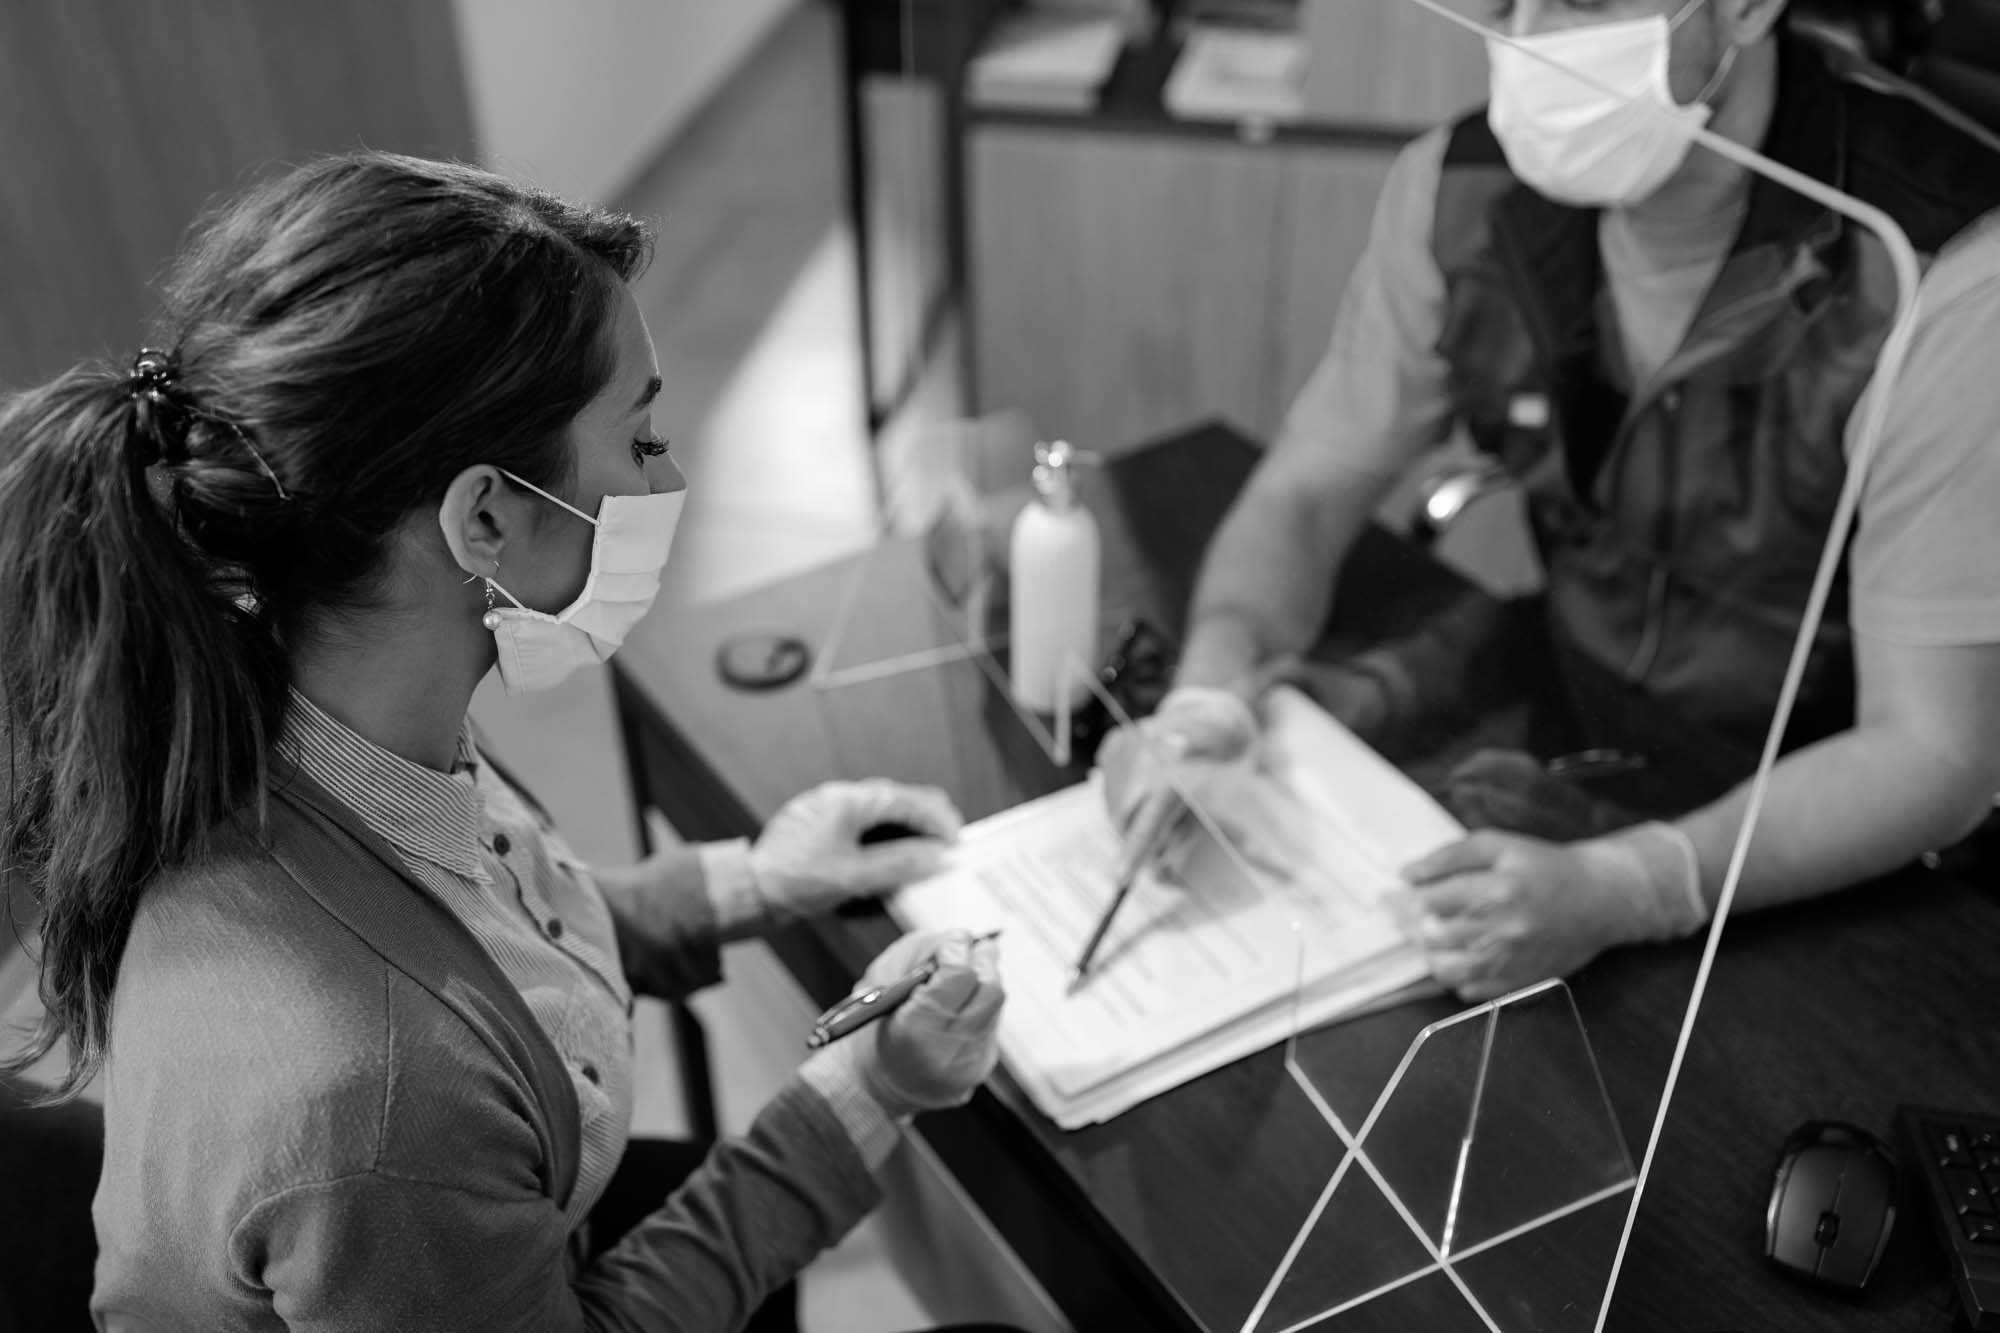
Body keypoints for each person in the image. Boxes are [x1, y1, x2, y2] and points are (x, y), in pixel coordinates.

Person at [0, 151, 1012, 1331]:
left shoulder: (329, 716)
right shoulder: (378, 1103)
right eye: (639, 441)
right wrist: (862, 1093)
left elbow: (499, 946)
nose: (670, 473)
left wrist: (751, 880)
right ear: (483, 518)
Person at [1105, 0, 2000, 999]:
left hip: (1821, 832)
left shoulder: (1940, 271)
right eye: (1499, 0)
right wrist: (1204, 696)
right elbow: (1307, 492)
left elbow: (1936, 752)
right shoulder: (1456, 191)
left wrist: (1633, 886)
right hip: (1580, 713)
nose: (1529, 32)